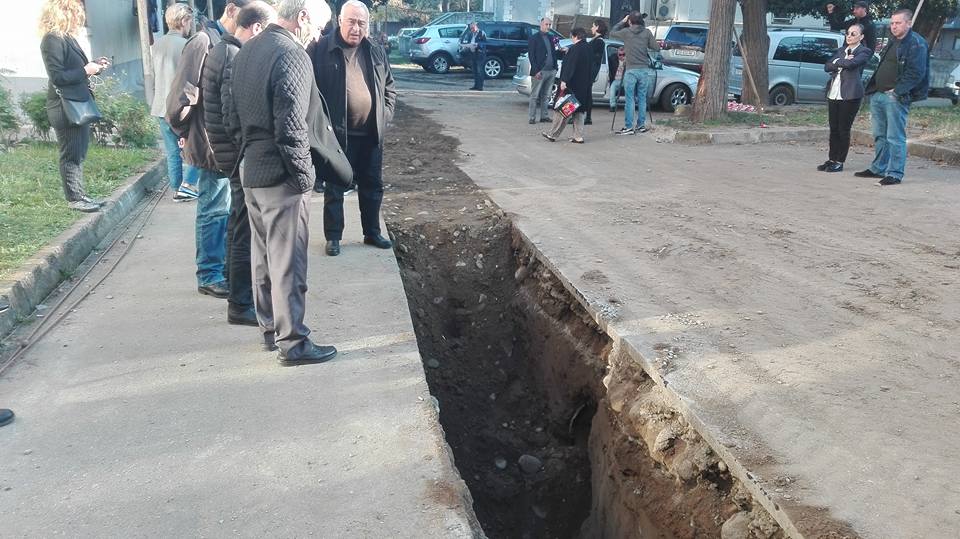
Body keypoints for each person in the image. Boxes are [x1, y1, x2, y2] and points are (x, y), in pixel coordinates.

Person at [231, 0, 352, 364]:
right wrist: (304, 176)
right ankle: (294, 343)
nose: (317, 36)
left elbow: (228, 113)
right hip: (281, 176)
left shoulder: (246, 51)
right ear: (301, 18)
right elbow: (291, 126)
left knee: (263, 257)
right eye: (316, 27)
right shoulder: (292, 55)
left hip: (251, 170)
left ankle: (271, 330)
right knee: (289, 262)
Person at [167, 0, 252, 300]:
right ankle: (209, 274)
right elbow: (182, 95)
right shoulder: (204, 41)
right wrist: (183, 132)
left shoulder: (230, 43)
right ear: (231, 10)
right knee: (213, 209)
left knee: (226, 210)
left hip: (227, 144)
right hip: (207, 141)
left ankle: (223, 269)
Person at [202, 1, 276, 327]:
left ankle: (237, 294)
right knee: (244, 231)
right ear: (256, 28)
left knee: (237, 227)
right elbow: (234, 115)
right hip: (236, 155)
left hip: (227, 153)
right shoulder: (233, 55)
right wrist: (246, 152)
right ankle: (241, 304)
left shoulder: (221, 49)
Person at [311, 0, 397, 257]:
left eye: (362, 23)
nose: (356, 28)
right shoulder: (320, 49)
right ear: (340, 21)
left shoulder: (375, 50)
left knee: (372, 186)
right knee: (335, 188)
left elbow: (389, 87)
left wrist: (385, 115)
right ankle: (334, 238)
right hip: (336, 136)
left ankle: (372, 232)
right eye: (352, 22)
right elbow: (310, 92)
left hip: (370, 135)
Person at [38, 0, 110, 213]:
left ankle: (80, 195)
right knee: (70, 154)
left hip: (77, 102)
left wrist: (95, 66)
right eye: (77, 14)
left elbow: (77, 69)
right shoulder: (52, 40)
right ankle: (74, 199)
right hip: (64, 106)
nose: (81, 19)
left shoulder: (67, 38)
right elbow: (58, 77)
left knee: (78, 152)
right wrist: (86, 70)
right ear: (65, 14)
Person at [858, 9, 929, 186]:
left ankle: (895, 173)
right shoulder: (893, 41)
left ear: (909, 23)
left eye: (898, 23)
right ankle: (878, 168)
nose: (894, 26)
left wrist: (897, 91)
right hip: (879, 94)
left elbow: (916, 72)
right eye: (892, 23)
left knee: (895, 137)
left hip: (896, 97)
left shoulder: (916, 43)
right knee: (880, 135)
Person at [151, 2, 198, 201]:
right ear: (184, 21)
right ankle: (186, 187)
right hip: (179, 107)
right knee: (192, 148)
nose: (190, 26)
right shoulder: (185, 45)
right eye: (189, 21)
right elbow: (189, 79)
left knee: (172, 152)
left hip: (160, 106)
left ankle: (175, 188)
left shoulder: (157, 44)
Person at [819, 23, 872, 173]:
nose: (849, 36)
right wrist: (840, 62)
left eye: (853, 34)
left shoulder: (864, 51)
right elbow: (827, 66)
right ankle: (831, 159)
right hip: (834, 93)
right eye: (848, 33)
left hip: (850, 95)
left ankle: (840, 161)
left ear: (861, 37)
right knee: (834, 128)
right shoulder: (842, 50)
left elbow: (852, 64)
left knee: (843, 129)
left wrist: (839, 62)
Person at [610, 11, 659, 135]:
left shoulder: (626, 32)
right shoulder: (647, 32)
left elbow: (612, 32)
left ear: (630, 21)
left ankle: (628, 127)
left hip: (631, 69)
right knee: (642, 98)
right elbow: (656, 48)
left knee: (630, 99)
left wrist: (623, 21)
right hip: (644, 69)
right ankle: (641, 125)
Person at [541, 27, 592, 144]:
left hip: (572, 85)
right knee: (579, 111)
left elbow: (570, 66)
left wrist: (564, 81)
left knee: (563, 110)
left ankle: (553, 134)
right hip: (584, 86)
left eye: (572, 37)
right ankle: (578, 136)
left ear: (575, 36)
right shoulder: (588, 48)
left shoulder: (575, 49)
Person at [527, 17, 559, 124]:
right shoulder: (534, 38)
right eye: (546, 24)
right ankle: (532, 117)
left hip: (551, 71)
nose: (548, 27)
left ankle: (544, 116)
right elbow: (531, 56)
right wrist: (536, 71)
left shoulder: (551, 37)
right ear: (541, 24)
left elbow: (555, 52)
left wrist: (555, 68)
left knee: (546, 95)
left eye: (550, 25)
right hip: (539, 71)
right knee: (535, 95)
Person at [584, 18, 608, 126]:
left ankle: (585, 116)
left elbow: (595, 58)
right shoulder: (595, 40)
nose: (591, 28)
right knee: (587, 94)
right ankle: (587, 116)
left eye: (593, 26)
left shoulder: (599, 41)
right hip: (589, 70)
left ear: (597, 27)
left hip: (590, 71)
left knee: (585, 94)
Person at [461, 22, 487, 91]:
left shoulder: (481, 33)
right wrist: (466, 46)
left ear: (476, 26)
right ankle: (476, 85)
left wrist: (477, 44)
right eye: (471, 28)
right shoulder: (470, 34)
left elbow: (485, 43)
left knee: (479, 70)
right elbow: (468, 42)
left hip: (480, 54)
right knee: (474, 71)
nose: (472, 30)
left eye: (473, 28)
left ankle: (480, 86)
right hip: (473, 54)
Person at [608, 46, 626, 112]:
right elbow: (608, 60)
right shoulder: (613, 59)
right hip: (616, 80)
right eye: (620, 54)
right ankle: (612, 106)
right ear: (617, 54)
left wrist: (625, 62)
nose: (621, 56)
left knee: (629, 89)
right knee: (612, 88)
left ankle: (628, 106)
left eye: (623, 54)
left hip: (625, 80)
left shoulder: (627, 61)